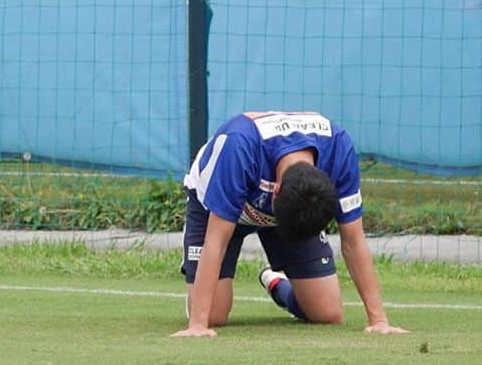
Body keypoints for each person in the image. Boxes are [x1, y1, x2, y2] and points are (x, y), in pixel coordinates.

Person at [172, 109, 409, 338]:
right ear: (274, 191)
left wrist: (378, 321)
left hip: (291, 206)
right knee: (213, 314)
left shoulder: (339, 150)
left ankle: (276, 282)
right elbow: (217, 239)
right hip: (217, 209)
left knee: (327, 312)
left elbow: (353, 240)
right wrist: (198, 325)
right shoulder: (239, 148)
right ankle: (195, 293)